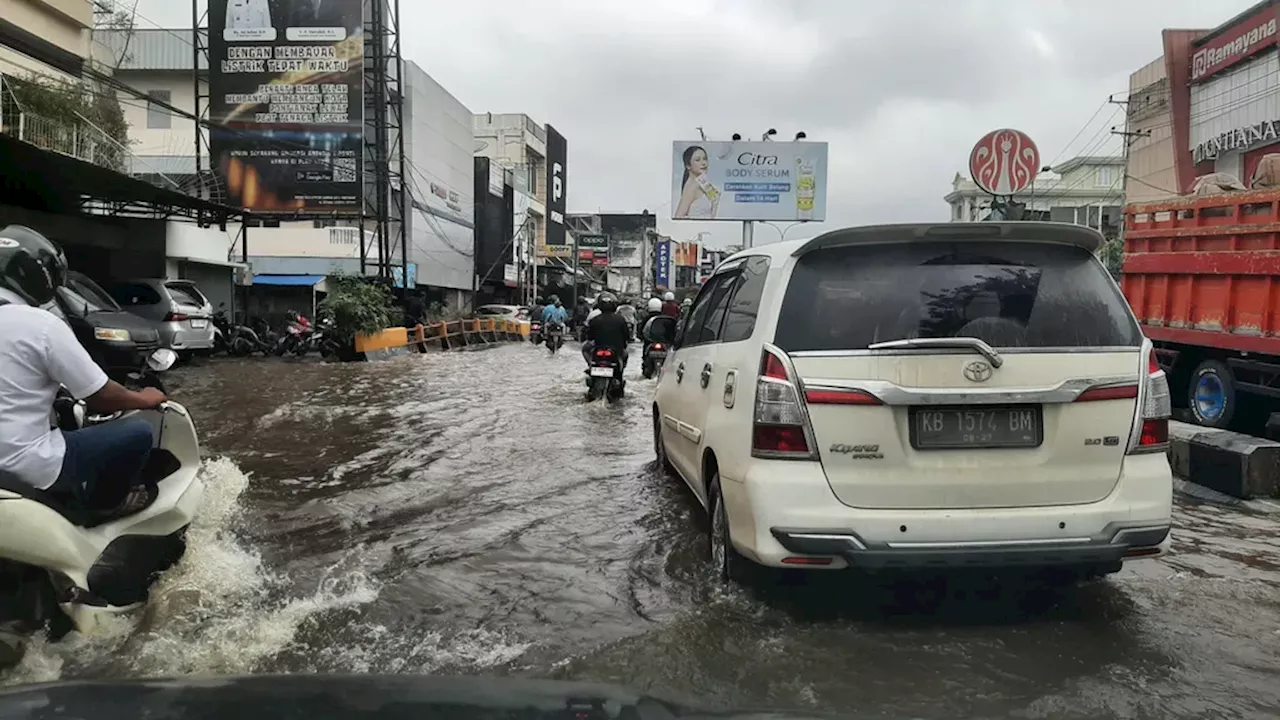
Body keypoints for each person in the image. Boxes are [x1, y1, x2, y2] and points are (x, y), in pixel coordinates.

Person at [0, 226, 167, 513]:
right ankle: (105, 506)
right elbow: (100, 396)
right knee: (138, 433)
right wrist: (146, 398)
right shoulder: (42, 325)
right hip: (27, 467)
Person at [583, 293, 631, 370]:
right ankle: (620, 371)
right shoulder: (620, 319)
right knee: (625, 354)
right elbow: (626, 335)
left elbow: (589, 336)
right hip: (616, 349)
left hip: (598, 347)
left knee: (584, 348)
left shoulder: (595, 319)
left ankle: (590, 365)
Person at [674, 145, 720, 219]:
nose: (703, 163)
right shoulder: (691, 186)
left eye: (705, 159)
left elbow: (715, 201)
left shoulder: (703, 182)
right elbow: (679, 216)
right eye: (698, 160)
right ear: (688, 166)